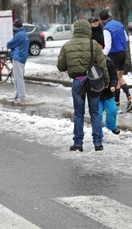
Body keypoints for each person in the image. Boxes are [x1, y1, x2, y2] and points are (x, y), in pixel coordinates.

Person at [57, 19, 109, 152]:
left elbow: (61, 66)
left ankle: (78, 143)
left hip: (77, 82)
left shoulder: (67, 45)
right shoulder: (93, 44)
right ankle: (98, 143)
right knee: (95, 112)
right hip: (93, 82)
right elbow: (102, 65)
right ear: (88, 30)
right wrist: (107, 81)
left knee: (79, 113)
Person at [99, 9, 131, 113]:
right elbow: (126, 38)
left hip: (114, 54)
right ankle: (129, 98)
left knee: (115, 79)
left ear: (101, 19)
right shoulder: (119, 24)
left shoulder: (106, 29)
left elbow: (107, 46)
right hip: (123, 53)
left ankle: (117, 105)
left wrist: (102, 56)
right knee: (120, 77)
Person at [7, 19, 29, 104]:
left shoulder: (19, 35)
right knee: (17, 77)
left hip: (18, 57)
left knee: (18, 78)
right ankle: (16, 95)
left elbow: (9, 44)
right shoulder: (24, 34)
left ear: (15, 26)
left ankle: (22, 97)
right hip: (22, 57)